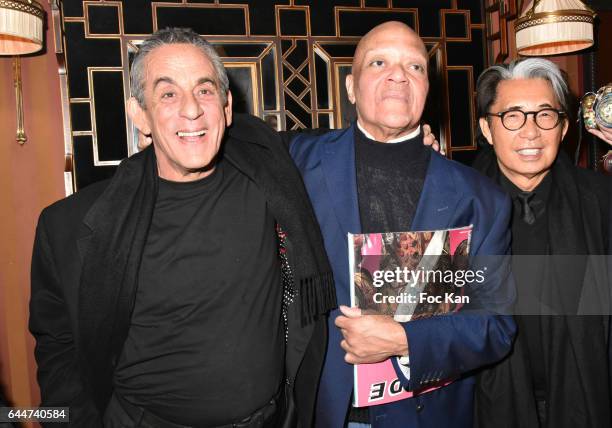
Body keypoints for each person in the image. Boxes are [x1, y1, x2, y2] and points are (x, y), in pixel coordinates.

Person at [29, 28, 336, 427]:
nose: (191, 110)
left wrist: (412, 139)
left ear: (227, 107)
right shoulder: (69, 226)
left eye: (204, 90)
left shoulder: (270, 174)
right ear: (140, 114)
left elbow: (344, 149)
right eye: (168, 93)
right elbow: (59, 350)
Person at [288, 21, 516, 428]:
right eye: (379, 62)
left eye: (415, 67)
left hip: (429, 414)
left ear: (428, 89)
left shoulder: (482, 200)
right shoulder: (297, 162)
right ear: (351, 87)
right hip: (323, 412)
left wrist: (403, 340)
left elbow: (496, 326)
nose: (398, 74)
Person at [471, 58, 612, 428]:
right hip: (487, 403)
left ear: (563, 127)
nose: (531, 132)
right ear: (487, 129)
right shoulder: (457, 205)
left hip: (587, 397)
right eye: (513, 116)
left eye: (545, 115)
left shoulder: (600, 201)